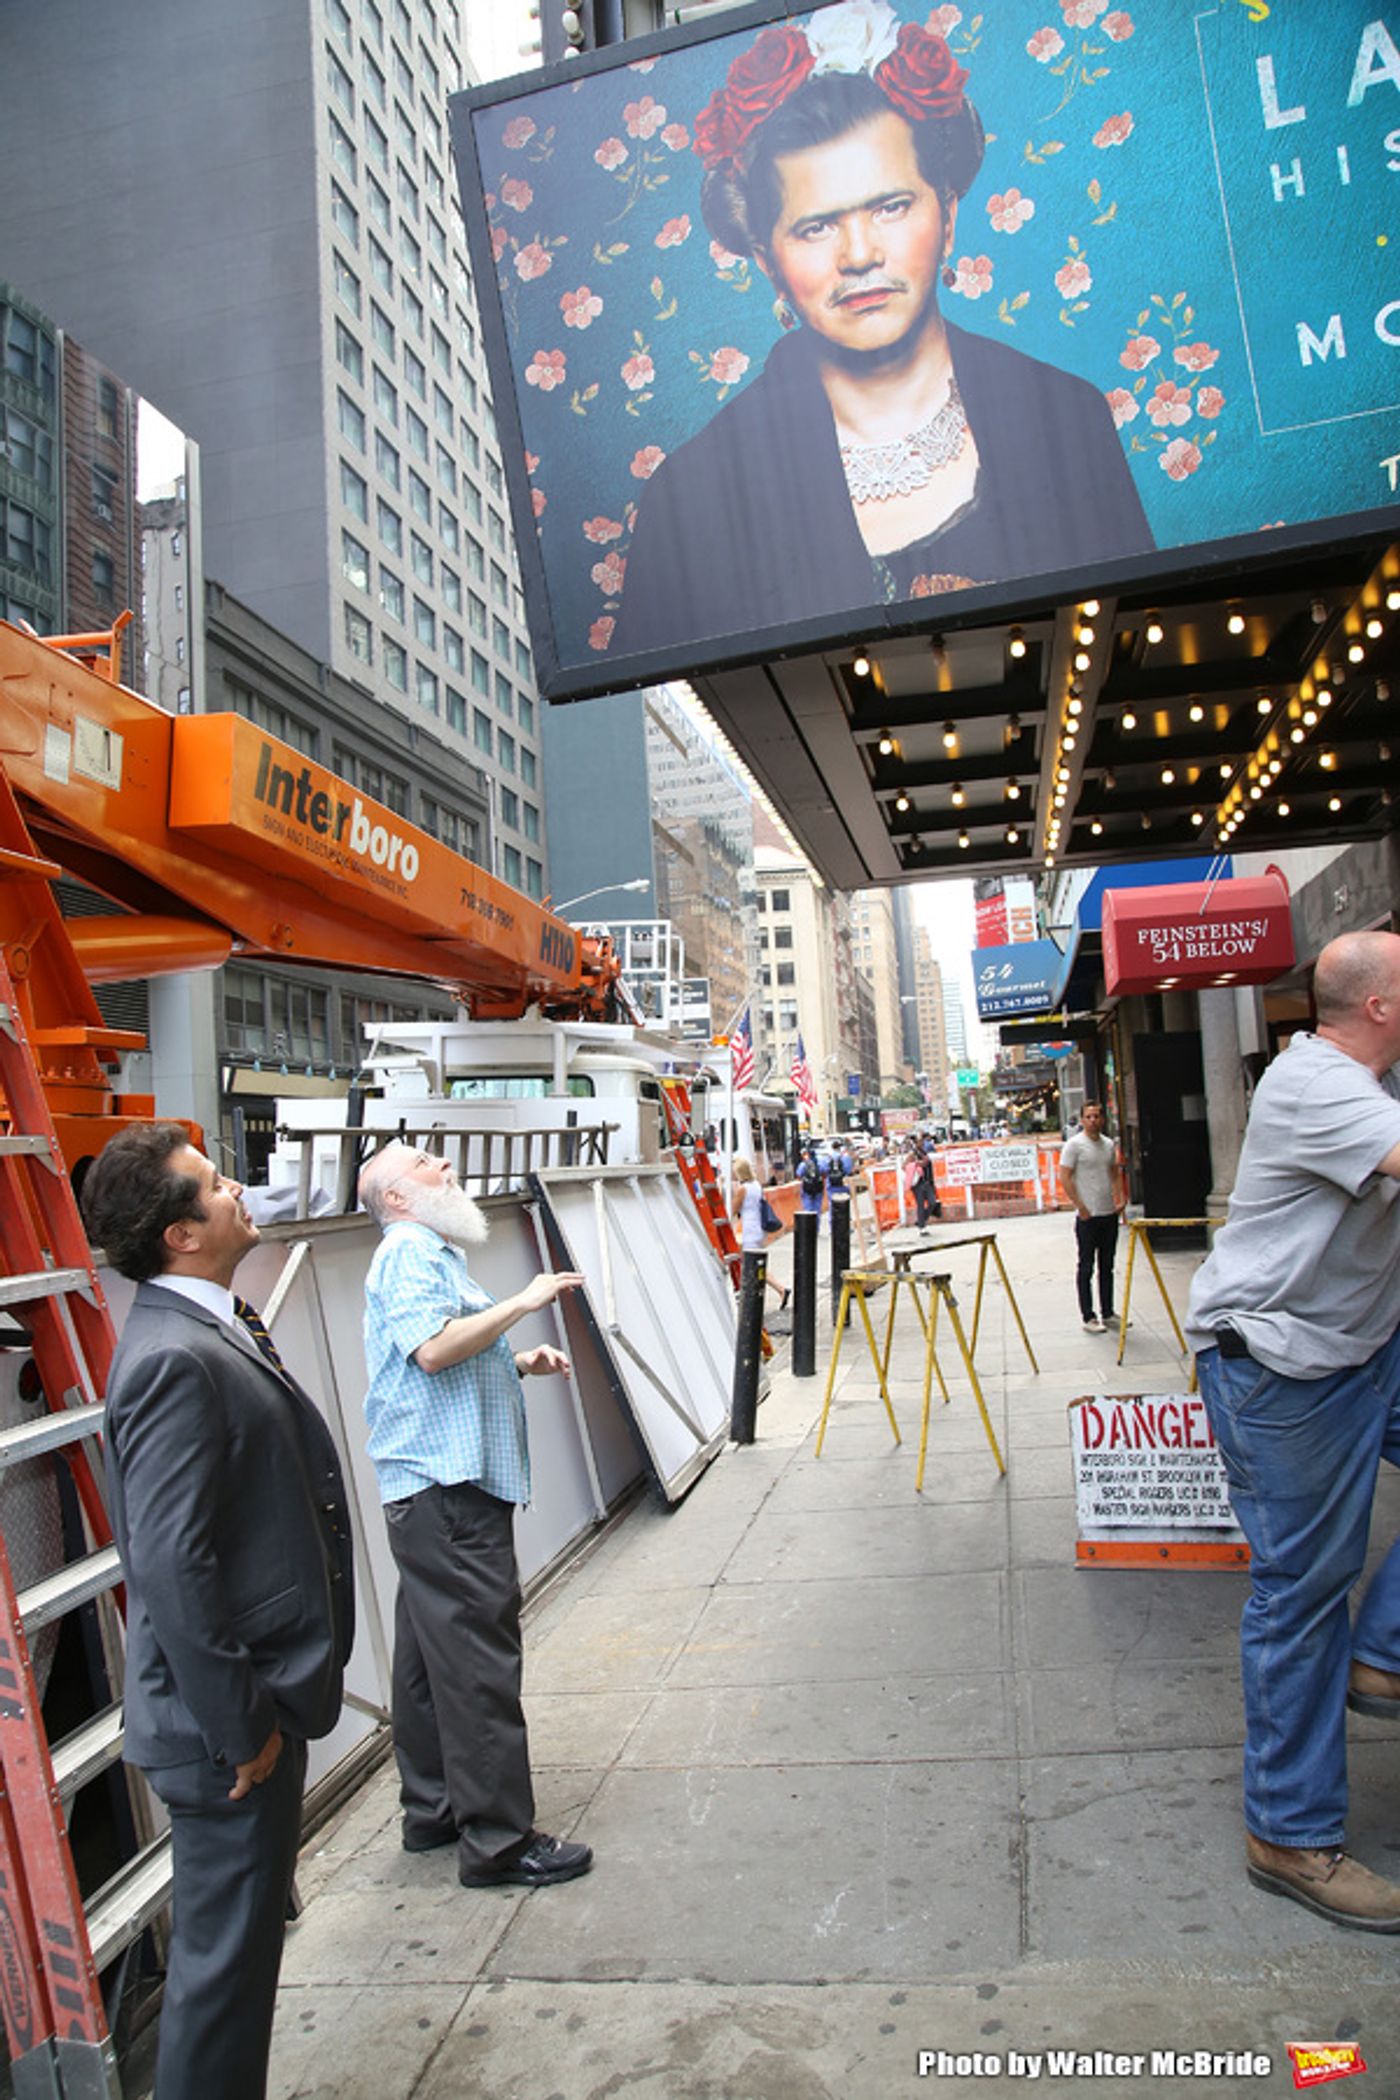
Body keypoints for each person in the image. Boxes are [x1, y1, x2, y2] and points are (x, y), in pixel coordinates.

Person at [612, 0, 1153, 661]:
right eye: (817, 226)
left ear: (947, 214)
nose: (860, 255)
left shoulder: (1067, 419)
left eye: (891, 206)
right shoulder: (689, 498)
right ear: (766, 257)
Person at [80, 1125, 354, 2100]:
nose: (237, 1188)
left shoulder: (209, 1324)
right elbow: (169, 1565)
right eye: (212, 1183)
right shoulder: (168, 1359)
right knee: (222, 1981)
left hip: (244, 1711)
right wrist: (245, 1730)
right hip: (225, 1732)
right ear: (178, 1236)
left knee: (236, 1971)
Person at [1185, 930, 1400, 1933]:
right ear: (1378, 1009)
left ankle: (1385, 1653)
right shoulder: (1318, 1088)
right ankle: (1287, 1833)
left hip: (1359, 1350)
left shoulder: (1369, 1085)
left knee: (1325, 1603)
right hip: (1279, 1368)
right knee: (1304, 1593)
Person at [357, 1141, 593, 1889]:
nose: (446, 1170)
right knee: (478, 1663)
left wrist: (518, 1360)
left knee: (432, 1661)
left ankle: (432, 1811)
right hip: (447, 1490)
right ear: (396, 1196)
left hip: (433, 1489)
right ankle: (498, 1841)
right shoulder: (409, 1254)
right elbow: (432, 1350)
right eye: (428, 1164)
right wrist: (523, 1303)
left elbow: (433, 1357)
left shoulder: (427, 1256)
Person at [1058, 1102, 1125, 1334]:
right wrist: (1080, 1206)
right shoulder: (1074, 1146)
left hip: (1108, 1214)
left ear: (1103, 1119)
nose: (1093, 1120)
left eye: (1097, 1116)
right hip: (1088, 1216)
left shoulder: (1108, 1145)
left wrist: (1120, 1198)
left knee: (1107, 1265)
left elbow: (1114, 1173)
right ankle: (1088, 1315)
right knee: (1086, 1266)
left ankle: (1108, 1312)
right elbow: (1065, 1177)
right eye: (1089, 1116)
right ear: (1082, 1119)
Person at [730, 1156, 790, 1310]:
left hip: (749, 1231)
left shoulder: (742, 1189)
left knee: (750, 1264)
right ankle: (771, 1290)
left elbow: (733, 1209)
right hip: (759, 1230)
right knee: (754, 1264)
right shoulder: (756, 1185)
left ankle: (778, 1290)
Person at [797, 1142, 827, 1216]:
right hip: (818, 1189)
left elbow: (798, 1175)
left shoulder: (803, 1164)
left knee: (808, 1210)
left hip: (807, 1189)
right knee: (817, 1210)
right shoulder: (820, 1163)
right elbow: (825, 1174)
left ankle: (809, 1226)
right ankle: (816, 1226)